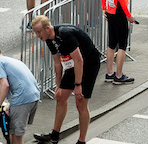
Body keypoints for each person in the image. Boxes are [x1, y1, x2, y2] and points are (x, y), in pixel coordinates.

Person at [29, 15, 101, 144]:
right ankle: (54, 135)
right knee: (60, 96)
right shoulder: (48, 39)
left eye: (38, 32)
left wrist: (78, 85)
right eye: (35, 32)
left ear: (47, 28)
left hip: (89, 64)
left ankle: (81, 140)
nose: (37, 35)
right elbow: (57, 62)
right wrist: (58, 85)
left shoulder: (66, 35)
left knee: (81, 103)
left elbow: (79, 60)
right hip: (73, 64)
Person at [0, 44, 41, 144]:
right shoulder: (12, 60)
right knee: (13, 132)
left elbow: (5, 85)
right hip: (34, 97)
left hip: (22, 100)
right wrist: (10, 104)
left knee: (16, 136)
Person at [100, 0, 136, 84]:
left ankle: (109, 73)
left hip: (110, 12)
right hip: (119, 13)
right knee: (122, 45)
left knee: (111, 43)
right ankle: (119, 76)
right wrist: (129, 16)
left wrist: (104, 8)